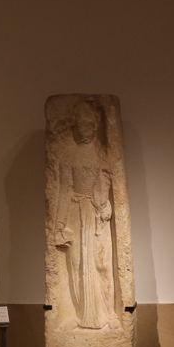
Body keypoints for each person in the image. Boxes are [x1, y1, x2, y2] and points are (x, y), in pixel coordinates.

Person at [49, 100, 118, 331]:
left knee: (101, 263)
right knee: (77, 263)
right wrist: (60, 224)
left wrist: (105, 207)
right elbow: (65, 190)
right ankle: (80, 314)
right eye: (80, 127)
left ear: (94, 127)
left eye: (88, 126)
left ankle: (108, 312)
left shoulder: (101, 156)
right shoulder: (68, 156)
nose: (84, 131)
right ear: (74, 128)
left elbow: (106, 185)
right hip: (75, 214)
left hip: (96, 214)